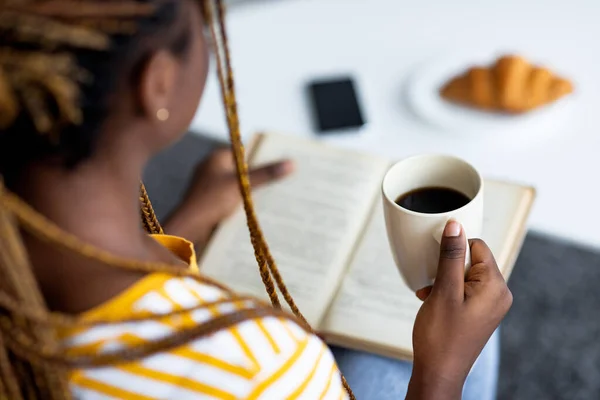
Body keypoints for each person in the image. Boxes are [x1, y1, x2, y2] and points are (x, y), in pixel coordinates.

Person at [0, 1, 512, 399]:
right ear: (157, 84)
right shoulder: (260, 365)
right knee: (459, 346)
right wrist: (441, 377)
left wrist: (186, 222)